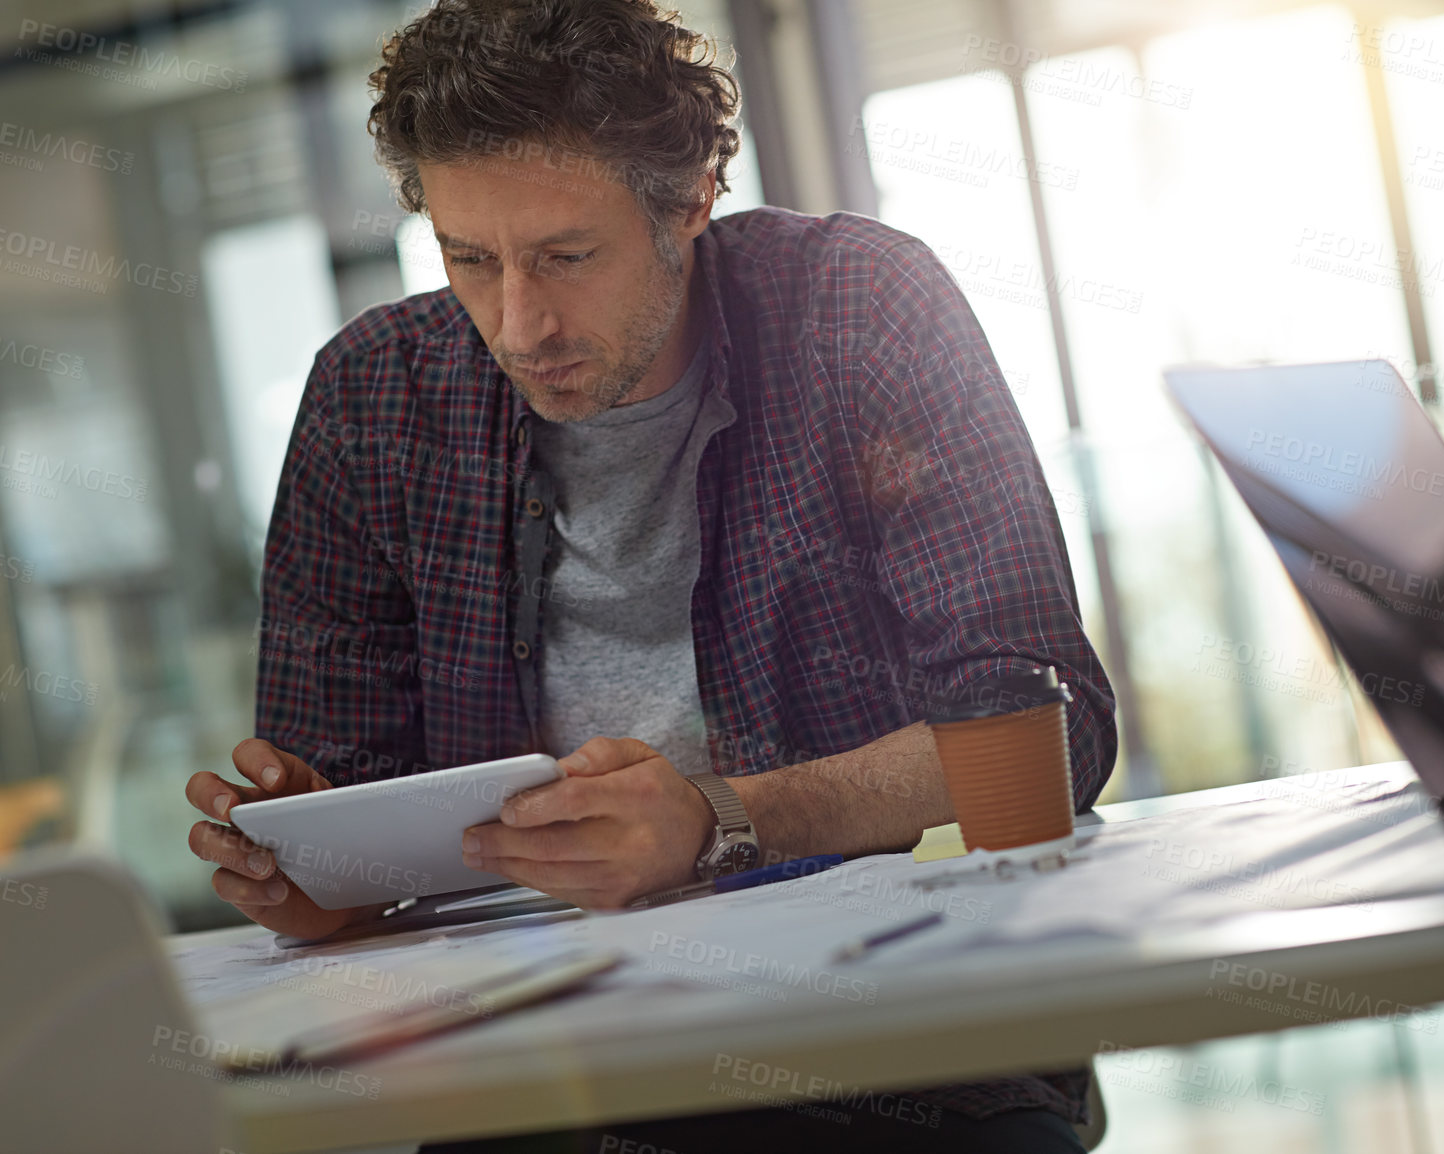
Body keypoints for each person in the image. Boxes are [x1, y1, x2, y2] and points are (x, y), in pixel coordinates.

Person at [182, 1, 1116, 1149]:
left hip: (895, 1051)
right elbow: (348, 824)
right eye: (470, 260)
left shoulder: (862, 306)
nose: (519, 323)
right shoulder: (371, 398)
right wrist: (308, 872)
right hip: (538, 1064)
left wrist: (721, 816)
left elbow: (1052, 724)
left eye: (567, 257)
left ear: (688, 203)